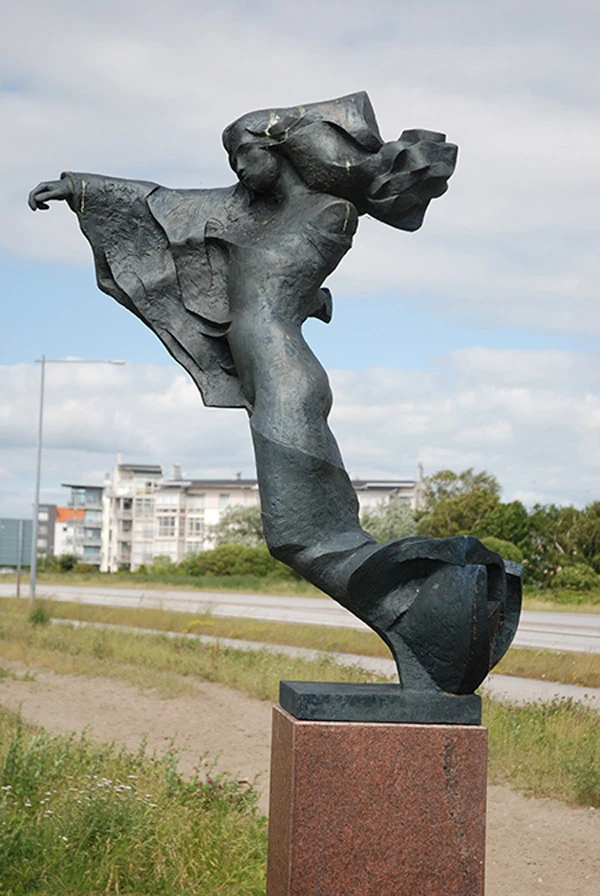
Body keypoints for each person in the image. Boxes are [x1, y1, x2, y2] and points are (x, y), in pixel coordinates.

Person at [29, 92, 520, 692]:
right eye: (231, 158)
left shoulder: (328, 213)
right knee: (309, 536)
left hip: (286, 375)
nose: (237, 170)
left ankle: (443, 595)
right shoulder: (257, 215)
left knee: (304, 536)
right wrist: (83, 189)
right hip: (271, 377)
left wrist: (307, 141)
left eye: (244, 153)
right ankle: (428, 619)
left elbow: (226, 221)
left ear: (282, 152)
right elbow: (168, 205)